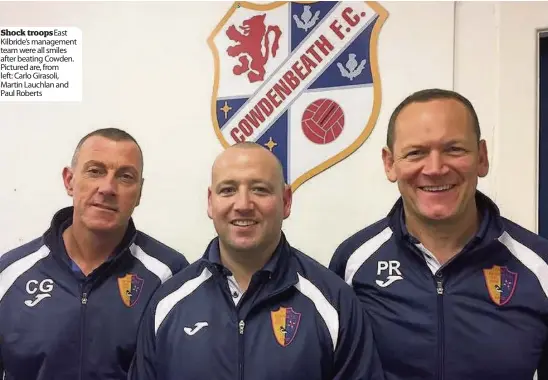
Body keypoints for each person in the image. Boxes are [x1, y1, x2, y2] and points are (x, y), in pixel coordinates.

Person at [329, 88, 548, 380]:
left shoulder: (539, 265)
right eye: (416, 152)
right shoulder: (353, 261)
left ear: (482, 157)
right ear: (390, 163)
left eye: (454, 149)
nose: (435, 169)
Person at [128, 142, 384, 380]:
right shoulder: (167, 303)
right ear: (210, 202)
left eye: (259, 189)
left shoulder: (334, 302)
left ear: (286, 201)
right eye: (228, 190)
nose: (243, 205)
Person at [0, 128, 189, 380]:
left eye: (125, 176)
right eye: (95, 171)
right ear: (69, 180)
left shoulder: (169, 275)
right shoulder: (10, 273)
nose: (107, 187)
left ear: (140, 192)